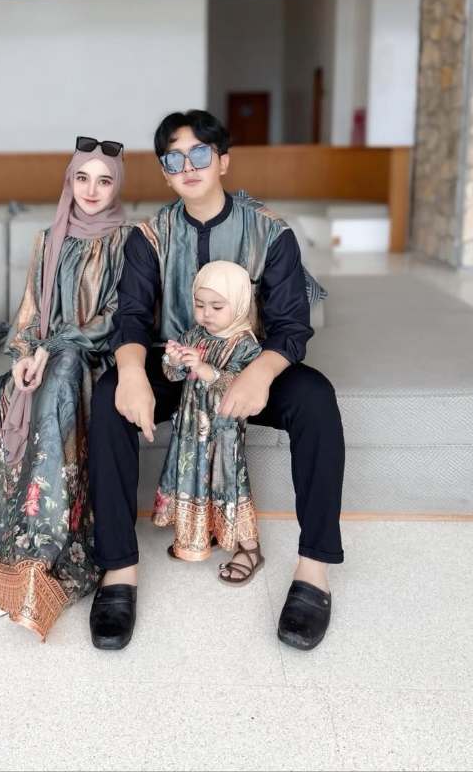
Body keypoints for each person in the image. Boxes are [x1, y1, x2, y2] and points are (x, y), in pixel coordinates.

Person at [87, 110, 344, 652]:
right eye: (174, 158)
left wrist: (257, 375)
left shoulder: (270, 231)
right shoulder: (149, 236)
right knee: (109, 398)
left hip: (244, 366)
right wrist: (131, 373)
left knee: (317, 399)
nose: (188, 166)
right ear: (165, 173)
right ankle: (118, 570)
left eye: (200, 153)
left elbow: (292, 327)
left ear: (223, 161)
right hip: (176, 368)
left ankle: (314, 570)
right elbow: (130, 318)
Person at [0, 137, 131, 641]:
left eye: (104, 180)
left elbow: (119, 317)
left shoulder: (128, 240)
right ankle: (0, 529)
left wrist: (56, 348)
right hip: (45, 354)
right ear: (70, 181)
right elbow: (28, 311)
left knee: (60, 378)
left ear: (117, 187)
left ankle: (45, 546)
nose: (92, 190)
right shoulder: (47, 240)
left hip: (94, 357)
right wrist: (26, 353)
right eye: (82, 178)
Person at [153, 260, 264, 584]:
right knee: (193, 479)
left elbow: (240, 387)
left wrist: (204, 369)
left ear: (239, 303)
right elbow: (172, 374)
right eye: (200, 305)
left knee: (226, 484)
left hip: (223, 433)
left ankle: (249, 548)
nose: (206, 314)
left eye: (217, 306)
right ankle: (201, 536)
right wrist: (173, 359)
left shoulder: (245, 344)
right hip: (191, 429)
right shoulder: (194, 334)